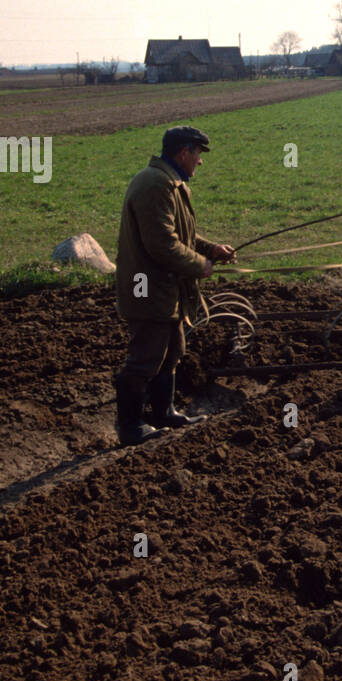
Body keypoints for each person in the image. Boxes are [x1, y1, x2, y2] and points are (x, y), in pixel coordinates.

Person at [113, 126, 236, 446]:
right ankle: (129, 428)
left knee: (171, 353)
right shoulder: (157, 185)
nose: (200, 162)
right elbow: (163, 245)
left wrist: (210, 250)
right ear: (184, 153)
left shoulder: (170, 182)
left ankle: (163, 412)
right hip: (149, 290)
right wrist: (200, 265)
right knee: (144, 358)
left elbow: (182, 236)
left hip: (167, 289)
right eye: (198, 154)